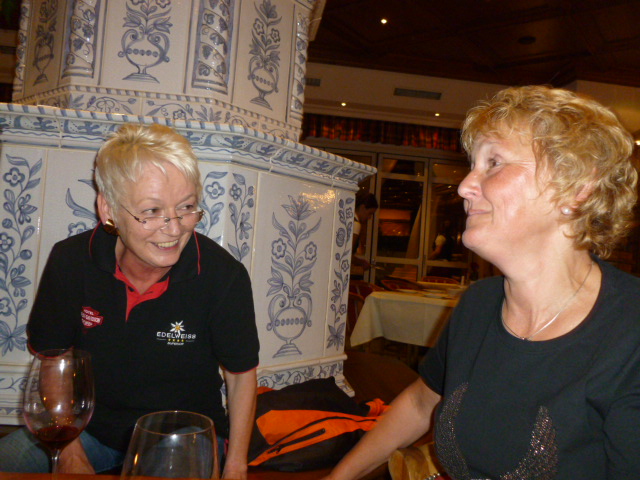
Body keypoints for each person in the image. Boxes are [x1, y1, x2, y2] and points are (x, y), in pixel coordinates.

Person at [323, 86, 640, 479]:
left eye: (494, 163)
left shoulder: (629, 331)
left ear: (577, 188)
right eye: (473, 164)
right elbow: (421, 403)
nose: (464, 186)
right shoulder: (479, 303)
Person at [0, 124, 260, 479]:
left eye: (186, 207)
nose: (174, 229)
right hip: (89, 429)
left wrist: (235, 467)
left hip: (181, 433)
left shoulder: (223, 276)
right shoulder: (70, 260)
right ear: (108, 209)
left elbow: (241, 377)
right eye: (151, 211)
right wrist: (71, 450)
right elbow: (53, 357)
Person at [351, 191, 378, 271]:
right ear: (362, 207)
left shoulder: (348, 218)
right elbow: (347, 254)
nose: (369, 218)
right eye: (370, 213)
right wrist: (362, 262)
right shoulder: (356, 224)